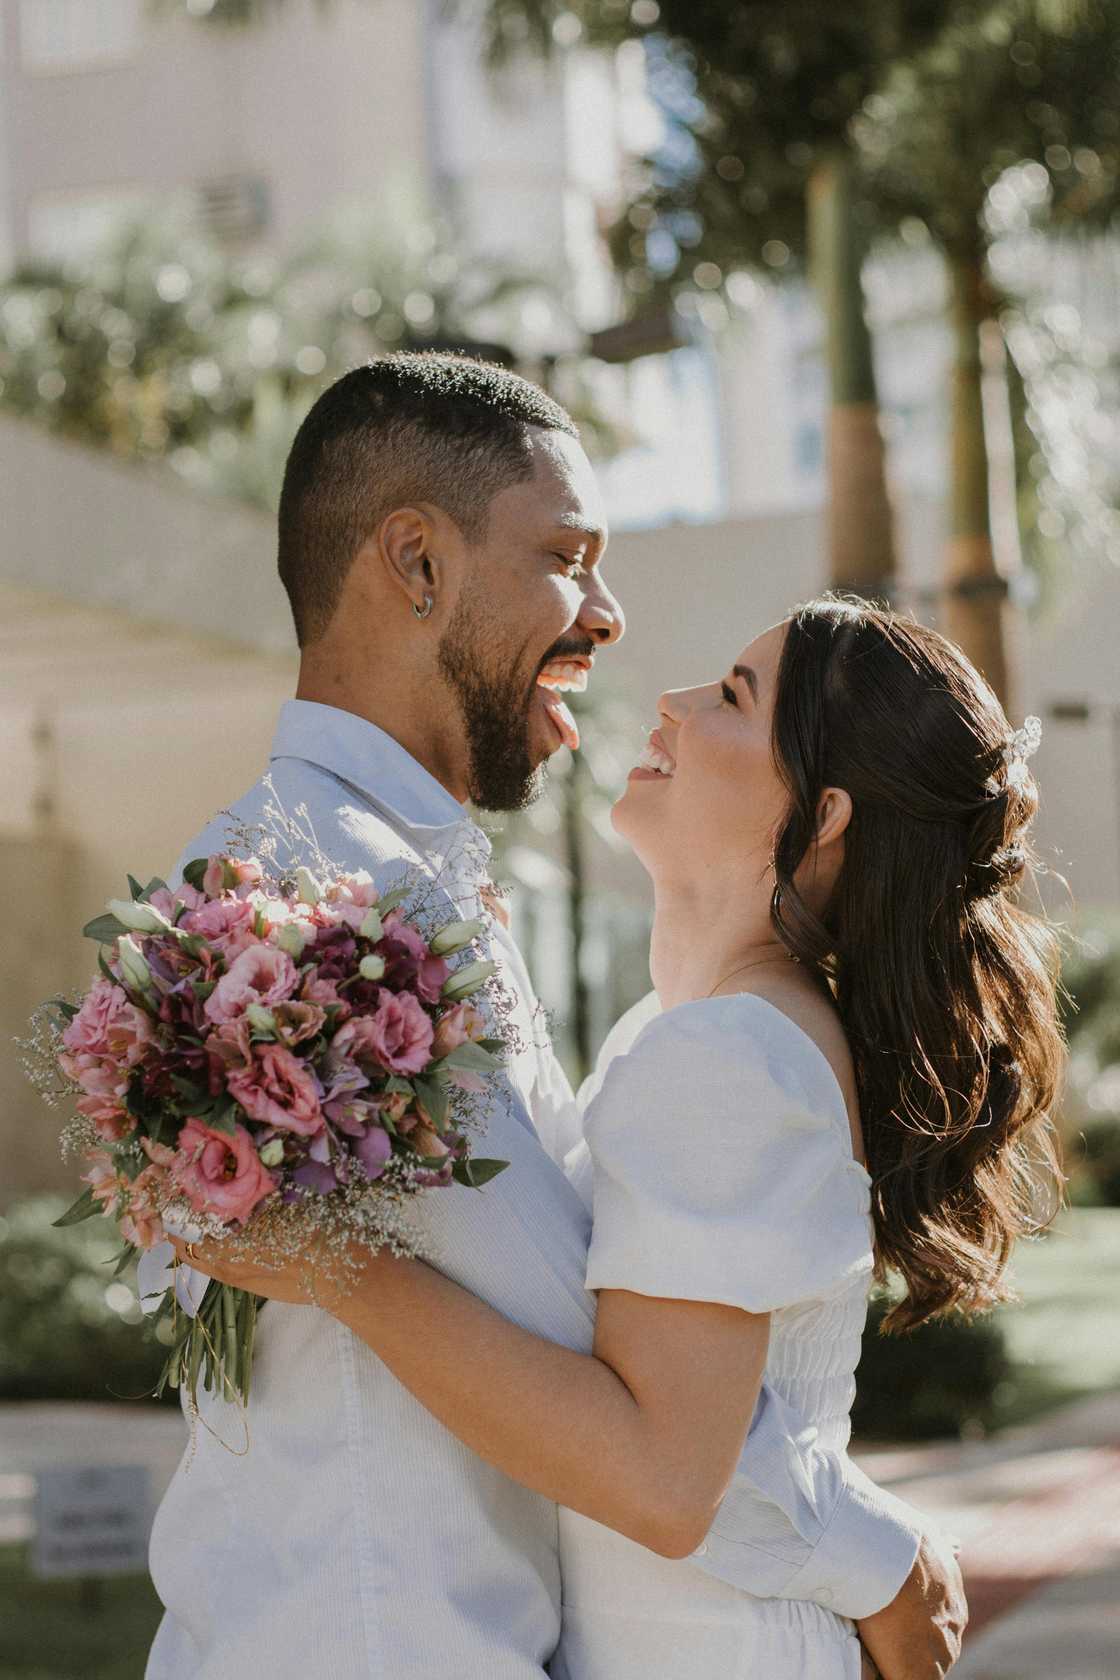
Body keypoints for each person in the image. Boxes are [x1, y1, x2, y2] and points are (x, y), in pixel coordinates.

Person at [147, 354, 963, 1680]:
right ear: (417, 566)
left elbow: (614, 1358)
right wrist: (863, 1549)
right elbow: (610, 1387)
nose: (610, 616)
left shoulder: (402, 875)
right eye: (570, 556)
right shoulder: (314, 903)